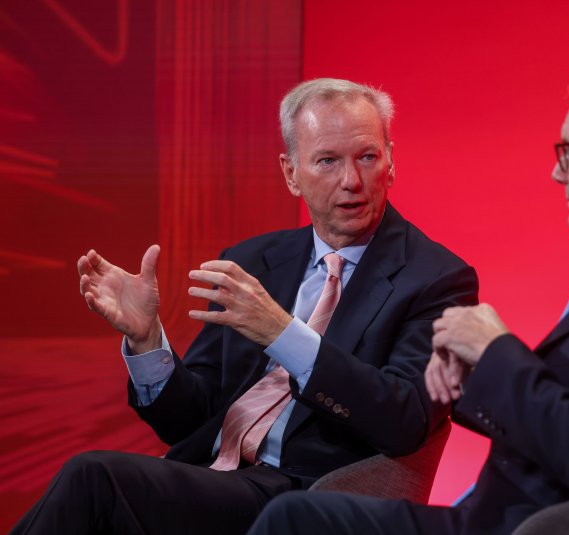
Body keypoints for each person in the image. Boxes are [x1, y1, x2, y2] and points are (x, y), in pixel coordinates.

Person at [247, 57, 569, 535]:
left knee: (296, 519)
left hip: (530, 526)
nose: (556, 170)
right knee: (297, 516)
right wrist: (471, 378)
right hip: (501, 515)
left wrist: (495, 349)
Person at [11, 79, 479, 534]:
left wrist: (283, 333)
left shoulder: (436, 279)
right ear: (291, 173)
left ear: (391, 163)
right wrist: (146, 339)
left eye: (368, 157)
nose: (351, 181)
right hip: (210, 477)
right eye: (328, 161)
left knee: (95, 480)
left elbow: (405, 418)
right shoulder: (253, 261)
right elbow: (187, 420)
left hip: (304, 494)